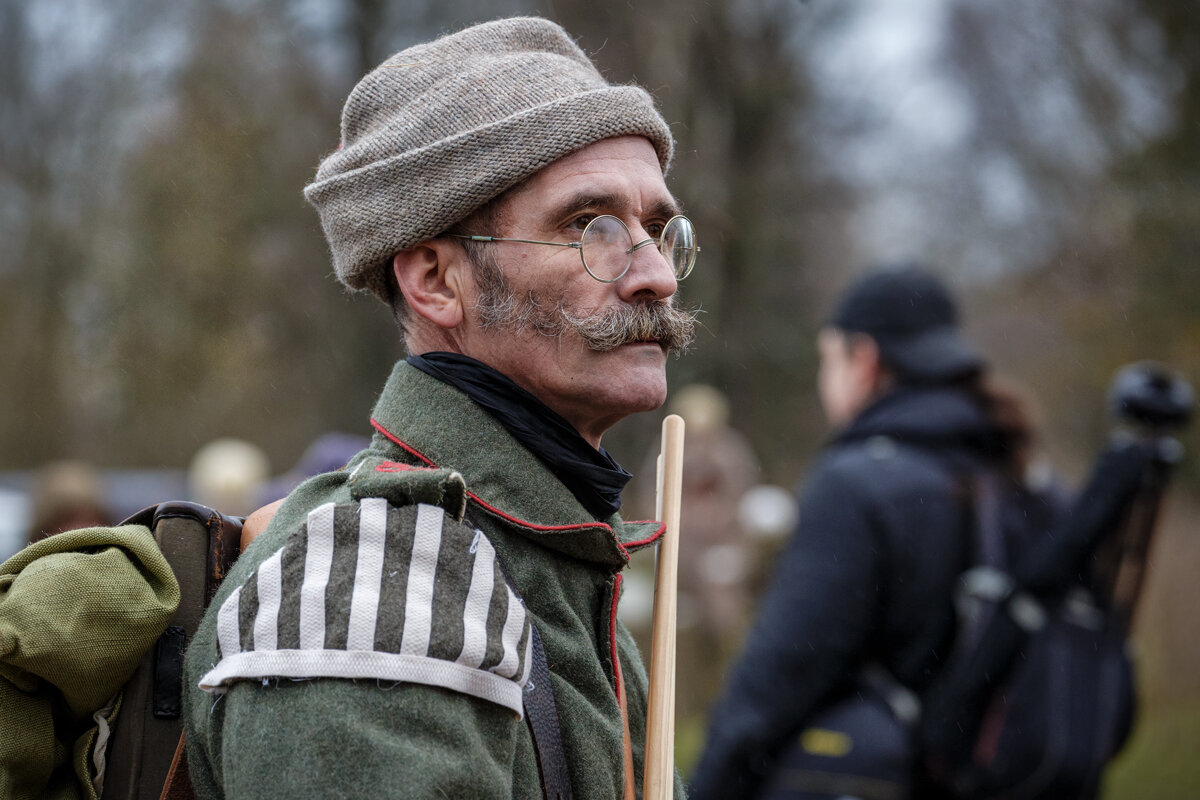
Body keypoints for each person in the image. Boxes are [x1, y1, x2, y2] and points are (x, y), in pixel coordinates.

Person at [182, 17, 697, 800]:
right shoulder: (371, 598)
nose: (654, 273)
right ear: (434, 281)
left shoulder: (558, 567)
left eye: (658, 229)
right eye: (589, 227)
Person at [688, 266, 1058, 799]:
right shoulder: (1026, 480)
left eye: (827, 358)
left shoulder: (859, 486)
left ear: (863, 361)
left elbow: (771, 688)